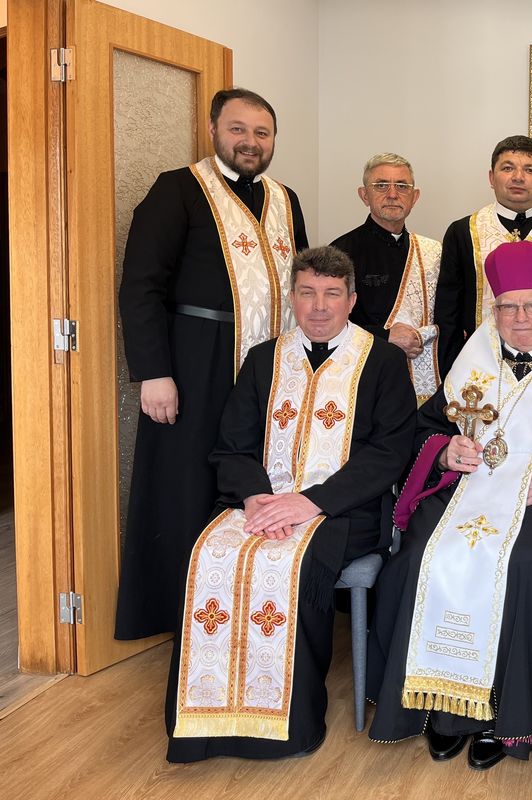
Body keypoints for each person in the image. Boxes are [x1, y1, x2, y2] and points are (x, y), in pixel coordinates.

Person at [367, 240, 532, 771]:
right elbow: (427, 428)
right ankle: (435, 705)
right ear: (494, 310)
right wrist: (443, 453)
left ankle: (502, 715)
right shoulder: (476, 358)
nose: (521, 318)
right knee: (418, 557)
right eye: (508, 307)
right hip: (464, 493)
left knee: (522, 563)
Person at [164, 246, 415, 762]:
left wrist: (310, 503)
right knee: (212, 555)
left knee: (284, 563)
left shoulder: (383, 361)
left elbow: (390, 454)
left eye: (330, 294)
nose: (318, 307)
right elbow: (231, 444)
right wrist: (255, 496)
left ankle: (290, 725)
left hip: (346, 510)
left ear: (350, 299)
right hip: (260, 502)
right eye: (307, 293)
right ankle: (204, 725)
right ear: (293, 298)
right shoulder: (264, 360)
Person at [116, 87, 308, 640]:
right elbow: (141, 286)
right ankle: (186, 617)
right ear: (213, 130)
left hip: (269, 365)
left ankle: (253, 605)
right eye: (238, 129)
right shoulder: (177, 189)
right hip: (195, 362)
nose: (250, 141)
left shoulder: (284, 197)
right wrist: (154, 372)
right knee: (188, 483)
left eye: (262, 132)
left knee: (262, 473)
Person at [433, 135, 532, 373]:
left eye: (530, 169)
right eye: (507, 168)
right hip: (482, 364)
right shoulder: (462, 232)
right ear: (491, 177)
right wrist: (453, 371)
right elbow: (448, 313)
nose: (518, 177)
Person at [331, 153, 443, 404]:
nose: (393, 194)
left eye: (402, 186)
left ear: (415, 197)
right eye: (381, 185)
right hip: (366, 380)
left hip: (429, 387)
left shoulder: (434, 252)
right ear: (364, 195)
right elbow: (326, 323)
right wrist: (384, 337)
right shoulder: (340, 252)